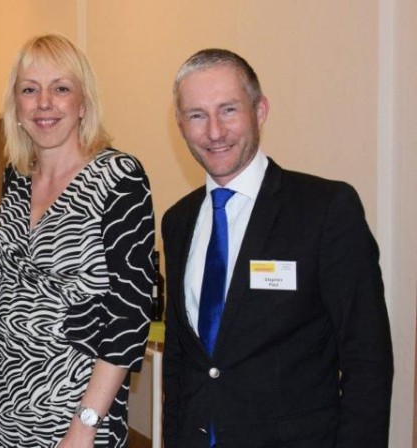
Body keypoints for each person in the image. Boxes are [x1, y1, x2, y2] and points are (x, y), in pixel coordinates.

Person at [162, 48, 394, 447]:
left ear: (260, 110)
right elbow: (180, 358)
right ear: (181, 125)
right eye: (197, 115)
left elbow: (367, 358)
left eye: (229, 110)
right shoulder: (178, 221)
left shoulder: (325, 210)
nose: (214, 132)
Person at [0, 34, 155, 448]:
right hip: (3, 407)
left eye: (60, 88)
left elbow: (130, 312)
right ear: (16, 106)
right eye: (29, 90)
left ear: (83, 103)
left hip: (76, 412)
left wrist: (86, 423)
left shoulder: (119, 177)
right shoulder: (16, 179)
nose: (44, 103)